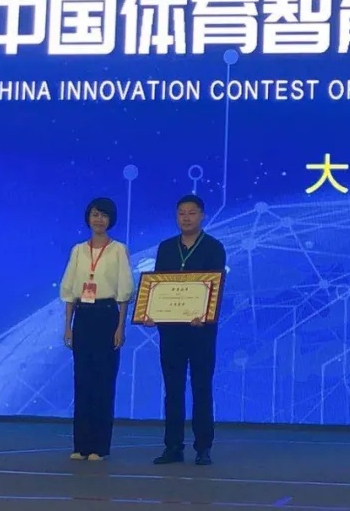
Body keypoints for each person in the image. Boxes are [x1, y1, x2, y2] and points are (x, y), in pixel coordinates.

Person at [150, 194, 227, 466]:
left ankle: (203, 447)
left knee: (201, 387)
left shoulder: (214, 247)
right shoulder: (166, 247)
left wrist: (204, 315)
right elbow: (158, 286)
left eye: (192, 212)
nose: (186, 217)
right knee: (173, 389)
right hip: (171, 330)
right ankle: (173, 447)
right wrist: (151, 312)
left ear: (202, 215)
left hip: (201, 331)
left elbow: (215, 287)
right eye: (181, 212)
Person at [59, 197, 134, 461]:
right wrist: (68, 327)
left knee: (103, 382)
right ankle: (80, 445)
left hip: (106, 316)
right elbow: (69, 291)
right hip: (83, 317)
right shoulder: (78, 250)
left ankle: (99, 447)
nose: (98, 220)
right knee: (82, 381)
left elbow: (124, 292)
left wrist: (120, 327)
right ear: (88, 218)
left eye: (103, 215)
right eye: (94, 215)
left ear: (110, 219)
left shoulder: (118, 250)